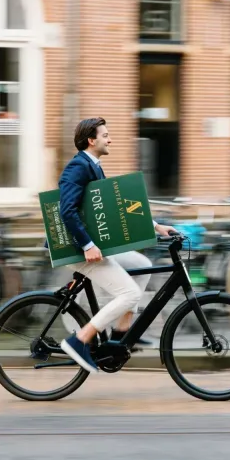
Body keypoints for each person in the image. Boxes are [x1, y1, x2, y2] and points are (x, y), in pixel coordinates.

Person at [57, 117, 178, 373]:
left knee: (142, 264)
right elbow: (66, 211)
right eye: (106, 135)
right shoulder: (78, 167)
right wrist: (88, 245)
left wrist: (156, 226)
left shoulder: (94, 166)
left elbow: (115, 207)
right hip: (76, 249)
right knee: (130, 294)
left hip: (89, 246)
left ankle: (120, 336)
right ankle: (78, 341)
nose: (110, 139)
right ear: (92, 140)